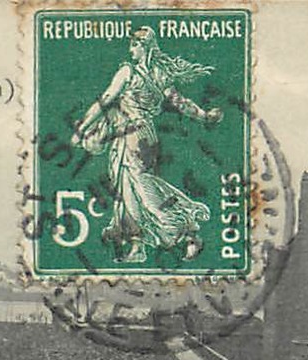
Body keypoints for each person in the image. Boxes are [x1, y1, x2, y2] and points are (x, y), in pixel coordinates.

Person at [71, 27, 223, 264]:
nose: (130, 50)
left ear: (144, 46)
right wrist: (203, 115)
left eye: (134, 45)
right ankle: (137, 246)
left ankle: (186, 231)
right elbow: (180, 102)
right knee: (128, 190)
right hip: (146, 136)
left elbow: (106, 100)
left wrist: (82, 129)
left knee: (143, 190)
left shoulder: (127, 71)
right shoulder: (160, 74)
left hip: (131, 135)